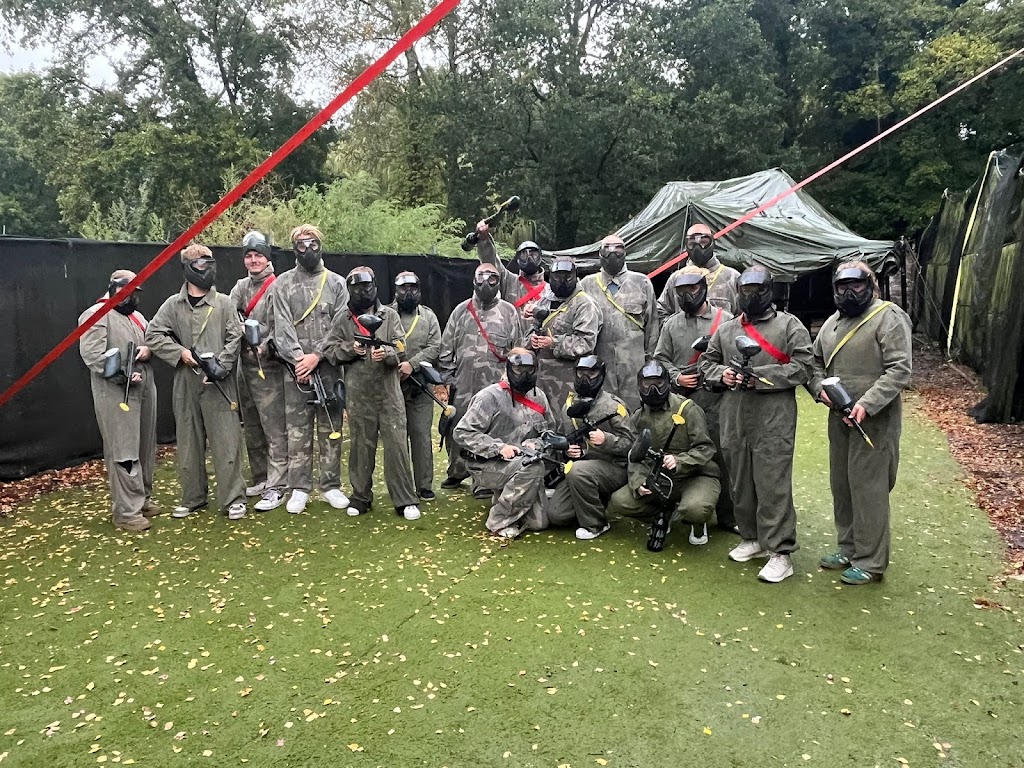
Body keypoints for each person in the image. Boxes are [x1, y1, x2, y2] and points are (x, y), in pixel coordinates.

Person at [699, 265, 813, 582]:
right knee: (740, 480)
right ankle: (752, 538)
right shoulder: (727, 330)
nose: (751, 296)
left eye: (757, 290)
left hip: (773, 415)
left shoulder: (789, 326)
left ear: (769, 291)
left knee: (772, 482)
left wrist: (760, 378)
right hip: (734, 413)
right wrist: (722, 374)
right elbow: (707, 362)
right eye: (745, 291)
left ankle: (781, 552)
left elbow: (804, 367)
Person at [808, 262, 912, 585]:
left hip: (875, 420)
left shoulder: (887, 317)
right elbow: (814, 363)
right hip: (839, 417)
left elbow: (899, 369)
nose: (849, 292)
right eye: (842, 287)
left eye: (856, 285)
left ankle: (870, 560)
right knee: (842, 484)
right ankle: (848, 547)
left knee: (869, 488)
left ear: (870, 285)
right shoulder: (831, 324)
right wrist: (819, 390)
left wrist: (867, 404)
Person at [146, 244, 247, 521]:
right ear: (188, 269)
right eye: (200, 264)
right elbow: (153, 334)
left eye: (209, 263)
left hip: (219, 383)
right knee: (188, 440)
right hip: (186, 380)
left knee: (227, 440)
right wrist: (180, 353)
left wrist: (220, 367)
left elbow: (235, 337)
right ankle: (193, 498)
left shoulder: (223, 303)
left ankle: (234, 499)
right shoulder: (173, 304)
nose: (206, 269)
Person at [325, 267, 421, 520]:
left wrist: (387, 353)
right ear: (350, 290)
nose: (363, 292)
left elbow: (401, 345)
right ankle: (361, 497)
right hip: (359, 393)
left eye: (367, 286)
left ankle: (405, 499)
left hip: (389, 392)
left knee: (397, 446)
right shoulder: (343, 319)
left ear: (375, 286)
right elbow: (330, 351)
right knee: (361, 447)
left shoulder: (389, 315)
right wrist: (351, 349)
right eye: (357, 288)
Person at [271, 224, 350, 515]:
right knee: (297, 429)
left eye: (313, 243)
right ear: (294, 249)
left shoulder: (337, 283)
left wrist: (317, 356)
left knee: (331, 426)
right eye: (301, 245)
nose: (308, 250)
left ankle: (331, 485)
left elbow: (340, 326)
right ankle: (299, 488)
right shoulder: (282, 284)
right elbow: (281, 326)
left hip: (328, 367)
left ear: (321, 245)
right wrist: (298, 361)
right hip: (296, 371)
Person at [654, 266, 737, 532]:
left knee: (723, 457)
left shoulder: (726, 320)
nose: (686, 295)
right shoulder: (671, 324)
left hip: (718, 402)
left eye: (692, 289)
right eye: (681, 291)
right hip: (682, 404)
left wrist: (718, 374)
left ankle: (728, 515)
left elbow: (734, 360)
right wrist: (677, 377)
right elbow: (660, 359)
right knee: (678, 455)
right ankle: (677, 508)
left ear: (703, 288)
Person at [607, 361, 720, 552]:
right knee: (620, 502)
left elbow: (706, 448)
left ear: (667, 383)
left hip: (695, 476)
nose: (653, 390)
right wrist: (638, 482)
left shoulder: (687, 408)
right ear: (639, 386)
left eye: (658, 383)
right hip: (660, 479)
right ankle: (664, 513)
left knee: (694, 509)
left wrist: (680, 461)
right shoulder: (638, 417)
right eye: (647, 384)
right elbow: (635, 456)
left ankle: (697, 523)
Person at [78, 270, 158, 532]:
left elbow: (152, 340)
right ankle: (126, 511)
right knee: (124, 451)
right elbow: (93, 355)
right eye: (128, 291)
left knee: (145, 446)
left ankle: (142, 498)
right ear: (115, 288)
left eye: (135, 292)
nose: (133, 297)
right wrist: (122, 374)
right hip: (116, 392)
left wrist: (149, 349)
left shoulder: (136, 317)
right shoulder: (96, 315)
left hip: (144, 385)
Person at [438, 263, 524, 495]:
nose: (486, 281)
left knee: (491, 430)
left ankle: (483, 481)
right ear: (474, 280)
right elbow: (446, 348)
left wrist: (511, 381)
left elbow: (517, 350)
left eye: (492, 277)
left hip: (496, 387)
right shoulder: (461, 310)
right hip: (463, 383)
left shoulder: (508, 312)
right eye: (481, 276)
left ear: (499, 281)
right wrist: (448, 379)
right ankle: (456, 471)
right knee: (458, 427)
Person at [453, 349, 556, 538]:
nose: (524, 375)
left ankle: (508, 496)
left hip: (523, 462)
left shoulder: (538, 396)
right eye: (518, 369)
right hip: (487, 464)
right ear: (508, 368)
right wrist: (498, 447)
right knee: (533, 468)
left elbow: (549, 432)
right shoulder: (490, 396)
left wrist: (536, 443)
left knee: (539, 523)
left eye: (529, 370)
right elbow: (462, 432)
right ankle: (499, 521)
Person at [229, 230, 288, 512]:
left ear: (267, 258)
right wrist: (240, 329)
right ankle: (261, 478)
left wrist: (265, 345)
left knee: (274, 428)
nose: (253, 260)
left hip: (270, 367)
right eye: (249, 256)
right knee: (251, 425)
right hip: (245, 366)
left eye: (258, 256)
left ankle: (278, 485)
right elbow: (228, 315)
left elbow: (284, 325)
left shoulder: (278, 286)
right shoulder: (240, 287)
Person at [547, 356, 635, 540]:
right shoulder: (569, 405)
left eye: (592, 373)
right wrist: (567, 450)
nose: (585, 379)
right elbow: (564, 437)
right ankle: (594, 499)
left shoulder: (613, 406)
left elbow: (633, 445)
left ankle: (596, 524)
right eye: (581, 373)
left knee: (578, 470)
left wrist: (606, 440)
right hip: (582, 471)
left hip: (615, 469)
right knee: (557, 515)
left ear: (601, 375)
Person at [581, 234, 659, 412]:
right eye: (607, 248)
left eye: (618, 248)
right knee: (603, 415)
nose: (613, 253)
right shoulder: (587, 284)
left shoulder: (642, 282)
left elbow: (653, 326)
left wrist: (651, 364)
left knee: (636, 414)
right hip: (600, 368)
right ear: (600, 253)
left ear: (625, 252)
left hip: (634, 368)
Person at [389, 271, 443, 501]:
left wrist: (411, 364)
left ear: (419, 290)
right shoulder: (386, 315)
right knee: (397, 439)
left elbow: (435, 347)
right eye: (403, 288)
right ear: (395, 290)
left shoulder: (428, 317)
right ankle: (402, 486)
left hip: (420, 386)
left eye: (412, 288)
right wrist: (395, 364)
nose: (408, 292)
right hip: (392, 386)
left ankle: (424, 485)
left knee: (421, 436)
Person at [528, 257, 601, 408]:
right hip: (540, 378)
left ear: (575, 276)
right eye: (557, 277)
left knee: (565, 418)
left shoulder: (584, 304)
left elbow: (586, 342)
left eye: (567, 277)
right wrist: (533, 339)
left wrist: (554, 343)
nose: (561, 281)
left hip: (568, 380)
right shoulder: (545, 300)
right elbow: (532, 329)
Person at [657, 223, 740, 319]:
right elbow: (660, 312)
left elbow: (744, 318)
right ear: (686, 245)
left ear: (712, 242)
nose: (698, 247)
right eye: (692, 243)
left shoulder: (732, 277)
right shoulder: (676, 278)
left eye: (703, 242)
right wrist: (676, 326)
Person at [475, 221, 547, 321]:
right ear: (518, 258)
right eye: (524, 254)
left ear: (540, 256)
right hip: (511, 331)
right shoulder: (509, 281)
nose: (529, 258)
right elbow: (490, 263)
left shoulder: (550, 290)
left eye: (533, 254)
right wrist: (484, 239)